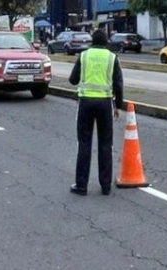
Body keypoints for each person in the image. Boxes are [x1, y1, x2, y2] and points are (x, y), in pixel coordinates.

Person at [68, 29, 124, 196]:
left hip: (86, 103)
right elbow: (118, 84)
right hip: (105, 104)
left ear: (92, 41)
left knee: (84, 143)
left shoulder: (84, 56)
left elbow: (73, 80)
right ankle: (105, 186)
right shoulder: (112, 58)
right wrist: (117, 106)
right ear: (106, 41)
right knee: (105, 144)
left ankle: (81, 185)